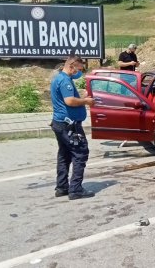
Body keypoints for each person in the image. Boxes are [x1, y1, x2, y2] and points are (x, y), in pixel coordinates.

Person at [50, 55, 96, 200]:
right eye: (79, 69)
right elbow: (69, 101)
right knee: (80, 153)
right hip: (69, 126)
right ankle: (76, 189)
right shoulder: (64, 81)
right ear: (72, 66)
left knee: (64, 155)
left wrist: (81, 96)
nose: (79, 73)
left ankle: (62, 187)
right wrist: (86, 101)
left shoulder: (59, 78)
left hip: (60, 123)